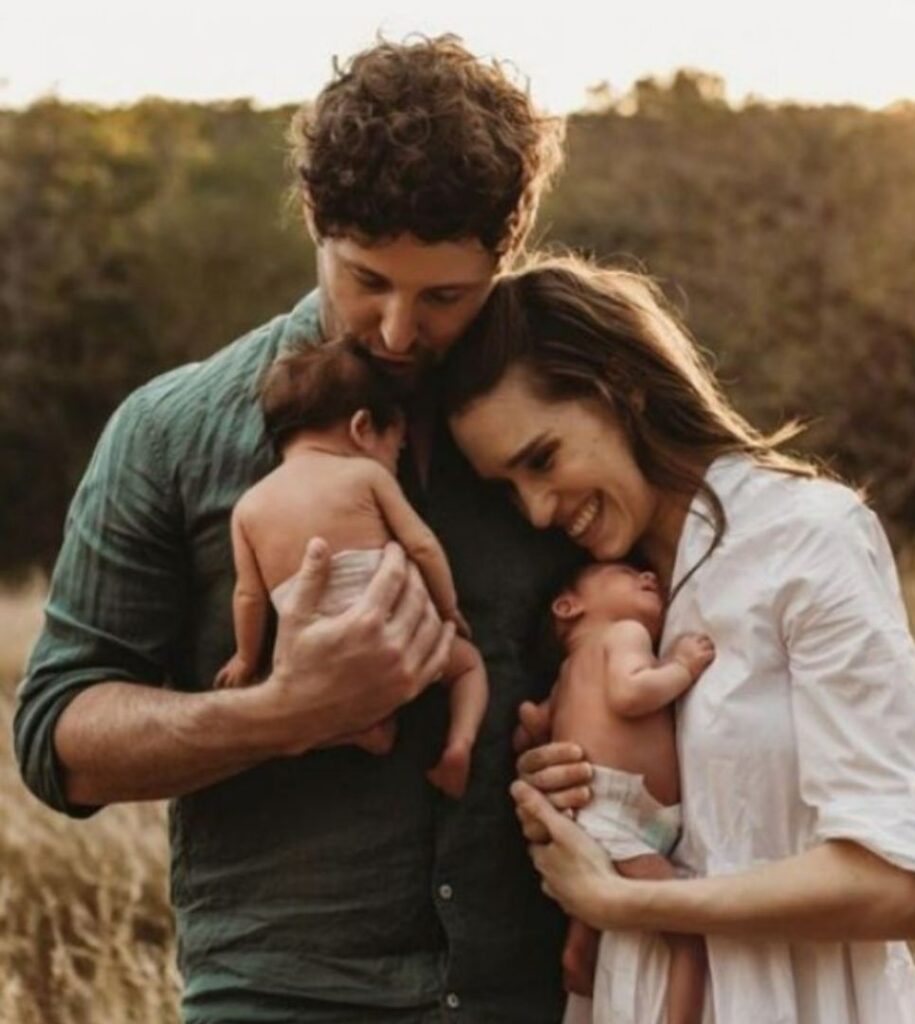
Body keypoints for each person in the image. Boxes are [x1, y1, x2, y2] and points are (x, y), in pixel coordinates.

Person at [15, 36, 583, 1023]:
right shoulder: (168, 431)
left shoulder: (564, 428)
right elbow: (54, 741)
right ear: (314, 225)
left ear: (509, 248)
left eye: (444, 296)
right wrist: (280, 713)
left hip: (533, 995)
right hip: (277, 1000)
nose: (400, 330)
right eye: (366, 280)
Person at [443, 254, 915, 1023]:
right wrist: (573, 789)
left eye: (543, 460)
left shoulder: (805, 539)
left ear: (620, 384)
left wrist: (632, 899)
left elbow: (900, 884)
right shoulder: (594, 597)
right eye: (508, 489)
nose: (539, 511)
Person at [214, 339, 487, 799]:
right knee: (468, 668)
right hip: (395, 636)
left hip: (317, 662)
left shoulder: (248, 508)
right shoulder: (365, 476)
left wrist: (245, 658)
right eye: (395, 449)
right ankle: (459, 747)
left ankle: (365, 732)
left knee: (304, 713)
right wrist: (449, 607)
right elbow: (422, 547)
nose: (394, 462)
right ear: (362, 427)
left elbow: (249, 595)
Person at [542, 559, 713, 1024]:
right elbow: (629, 694)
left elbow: (536, 723)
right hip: (619, 812)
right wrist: (681, 667)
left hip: (606, 811)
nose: (648, 577)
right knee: (688, 934)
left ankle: (582, 942)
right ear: (568, 605)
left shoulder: (566, 674)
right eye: (625, 572)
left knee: (602, 883)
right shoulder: (624, 633)